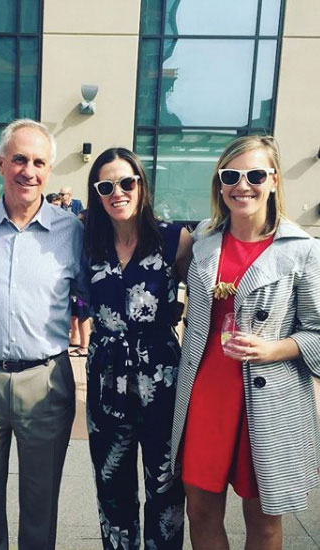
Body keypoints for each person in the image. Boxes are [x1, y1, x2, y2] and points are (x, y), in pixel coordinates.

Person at [171, 135, 320, 550]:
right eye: (231, 175)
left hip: (269, 402)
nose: (243, 185)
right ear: (220, 184)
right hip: (206, 396)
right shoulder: (203, 242)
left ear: (273, 180)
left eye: (255, 175)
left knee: (264, 521)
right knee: (199, 512)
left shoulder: (302, 250)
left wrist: (276, 349)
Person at [0, 119, 85, 550]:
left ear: (50, 169)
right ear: (1, 163)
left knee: (41, 500)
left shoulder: (72, 232)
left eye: (39, 162)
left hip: (45, 379)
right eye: (20, 159)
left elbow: (93, 293)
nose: (29, 170)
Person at [84, 147, 192, 550]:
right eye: (106, 185)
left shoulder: (174, 240)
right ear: (96, 193)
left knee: (165, 488)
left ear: (141, 185)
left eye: (127, 182)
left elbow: (207, 303)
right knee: (112, 487)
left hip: (162, 378)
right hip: (105, 379)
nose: (118, 192)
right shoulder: (87, 241)